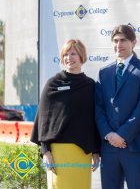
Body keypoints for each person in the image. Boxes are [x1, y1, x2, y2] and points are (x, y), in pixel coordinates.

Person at [31, 39, 100, 189]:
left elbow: (94, 120)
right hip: (58, 152)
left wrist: (96, 150)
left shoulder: (90, 86)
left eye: (73, 53)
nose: (69, 58)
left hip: (83, 153)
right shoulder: (53, 84)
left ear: (81, 56)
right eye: (66, 54)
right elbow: (43, 120)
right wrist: (46, 151)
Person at [95, 24, 140, 189]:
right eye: (115, 41)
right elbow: (99, 108)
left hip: (135, 146)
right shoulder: (104, 72)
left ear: (133, 42)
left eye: (123, 40)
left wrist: (122, 135)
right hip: (109, 148)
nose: (118, 44)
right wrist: (108, 134)